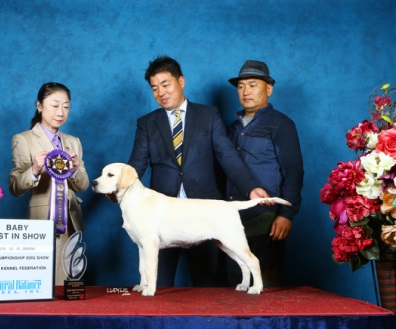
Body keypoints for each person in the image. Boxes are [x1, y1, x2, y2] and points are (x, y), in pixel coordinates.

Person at [128, 55, 271, 288]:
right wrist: (120, 187)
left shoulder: (208, 115)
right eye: (154, 88)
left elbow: (228, 157)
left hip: (204, 214)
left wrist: (250, 188)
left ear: (181, 81)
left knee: (206, 290)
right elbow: (136, 164)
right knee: (160, 288)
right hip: (161, 217)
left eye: (166, 84)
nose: (161, 92)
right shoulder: (146, 123)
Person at [225, 60, 304, 287]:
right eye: (241, 86)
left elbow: (294, 171)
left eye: (252, 84)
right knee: (235, 284)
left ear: (268, 89)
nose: (246, 91)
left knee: (265, 285)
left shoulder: (281, 124)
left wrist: (286, 215)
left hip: (265, 218)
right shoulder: (234, 126)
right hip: (232, 218)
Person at [9, 82, 89, 285]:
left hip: (72, 221)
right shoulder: (23, 139)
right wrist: (34, 170)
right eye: (55, 105)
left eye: (66, 106)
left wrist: (75, 171)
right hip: (41, 221)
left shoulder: (74, 141)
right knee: (43, 285)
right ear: (39, 105)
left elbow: (83, 186)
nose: (60, 112)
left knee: (70, 283)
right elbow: (14, 187)